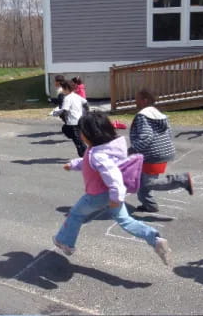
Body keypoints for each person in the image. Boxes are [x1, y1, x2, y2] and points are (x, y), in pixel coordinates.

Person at [53, 111, 171, 265]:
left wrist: (116, 197)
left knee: (75, 214)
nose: (80, 135)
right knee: (126, 221)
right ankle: (155, 240)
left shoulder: (98, 155)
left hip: (98, 195)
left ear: (89, 134)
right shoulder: (107, 147)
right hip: (110, 194)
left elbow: (113, 176)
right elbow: (88, 162)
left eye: (81, 132)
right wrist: (74, 164)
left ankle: (65, 243)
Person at [129, 89, 193, 213]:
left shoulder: (143, 115)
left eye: (137, 98)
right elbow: (168, 132)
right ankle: (149, 205)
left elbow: (146, 136)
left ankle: (182, 180)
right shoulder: (158, 114)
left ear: (144, 100)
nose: (135, 101)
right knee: (143, 181)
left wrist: (133, 149)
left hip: (152, 155)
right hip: (162, 152)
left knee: (148, 183)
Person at [53, 80, 88, 157]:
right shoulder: (76, 96)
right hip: (80, 119)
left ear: (66, 89)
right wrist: (86, 113)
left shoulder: (67, 98)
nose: (62, 90)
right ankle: (84, 152)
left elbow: (65, 110)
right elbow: (85, 103)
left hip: (73, 122)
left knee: (78, 141)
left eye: (63, 89)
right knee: (65, 129)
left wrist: (56, 113)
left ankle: (84, 156)